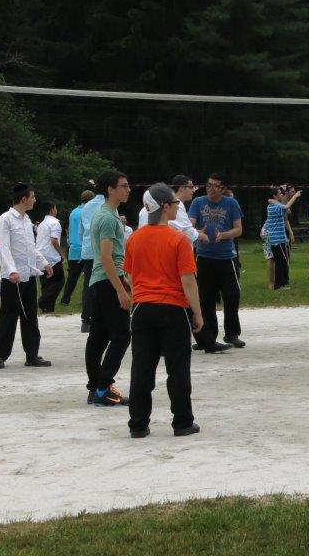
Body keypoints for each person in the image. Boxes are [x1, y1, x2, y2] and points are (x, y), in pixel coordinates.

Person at [124, 183, 205, 438]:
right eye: (175, 202)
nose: (178, 205)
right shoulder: (178, 239)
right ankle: (182, 422)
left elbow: (128, 274)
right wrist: (198, 313)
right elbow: (188, 280)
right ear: (165, 206)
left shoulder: (134, 237)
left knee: (141, 368)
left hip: (143, 309)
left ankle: (138, 424)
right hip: (172, 309)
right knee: (178, 369)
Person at [0, 183, 54, 369]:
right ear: (24, 199)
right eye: (33, 197)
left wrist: (43, 263)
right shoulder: (6, 219)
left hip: (28, 275)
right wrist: (11, 270)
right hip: (12, 278)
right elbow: (5, 247)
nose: (35, 200)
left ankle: (32, 355)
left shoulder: (27, 220)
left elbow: (30, 248)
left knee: (30, 316)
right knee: (8, 316)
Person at [85, 171, 133, 405]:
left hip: (102, 281)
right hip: (107, 281)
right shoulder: (106, 218)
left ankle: (96, 388)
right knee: (122, 335)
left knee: (99, 337)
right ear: (110, 190)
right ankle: (103, 387)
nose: (128, 190)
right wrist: (121, 290)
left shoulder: (108, 215)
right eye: (123, 186)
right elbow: (106, 257)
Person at [188, 172, 245, 353]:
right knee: (206, 299)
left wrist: (225, 235)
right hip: (204, 257)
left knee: (232, 295)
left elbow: (238, 229)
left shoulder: (231, 203)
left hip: (226, 257)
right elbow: (189, 224)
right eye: (208, 184)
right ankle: (208, 337)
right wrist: (198, 232)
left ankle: (232, 333)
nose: (211, 189)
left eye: (215, 186)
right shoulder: (198, 202)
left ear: (223, 189)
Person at [77, 190, 106, 332]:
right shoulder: (107, 205)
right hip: (103, 250)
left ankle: (86, 320)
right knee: (104, 283)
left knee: (88, 285)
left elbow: (81, 232)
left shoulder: (86, 207)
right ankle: (101, 317)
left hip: (88, 250)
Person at [60, 189, 94, 309]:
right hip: (84, 248)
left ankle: (65, 300)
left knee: (72, 277)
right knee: (88, 278)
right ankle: (87, 300)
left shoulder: (73, 212)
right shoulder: (87, 212)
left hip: (73, 248)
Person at [36, 201, 64, 313]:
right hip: (51, 257)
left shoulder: (41, 224)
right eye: (56, 208)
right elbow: (54, 240)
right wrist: (61, 253)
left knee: (46, 283)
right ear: (52, 209)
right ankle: (42, 302)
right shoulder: (55, 223)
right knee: (59, 281)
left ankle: (48, 309)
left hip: (40, 256)